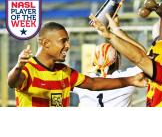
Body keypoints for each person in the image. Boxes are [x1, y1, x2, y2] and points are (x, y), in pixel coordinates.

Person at [7, 22, 147, 107]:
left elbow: (94, 84)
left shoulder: (65, 72)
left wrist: (131, 80)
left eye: (68, 41)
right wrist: (18, 66)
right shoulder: (27, 68)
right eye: (63, 41)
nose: (68, 45)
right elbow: (13, 82)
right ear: (45, 43)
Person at [90, 2, 162, 107]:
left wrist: (111, 35)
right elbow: (152, 50)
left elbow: (140, 57)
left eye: (153, 56)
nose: (150, 57)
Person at [74, 42, 144, 107]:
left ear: (94, 60)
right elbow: (146, 60)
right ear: (117, 61)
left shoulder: (82, 81)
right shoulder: (129, 77)